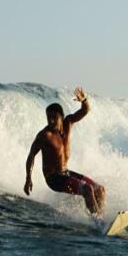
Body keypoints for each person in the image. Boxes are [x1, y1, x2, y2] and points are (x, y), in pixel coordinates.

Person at [23, 87, 106, 217]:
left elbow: (85, 110)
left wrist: (84, 99)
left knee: (100, 189)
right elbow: (31, 155)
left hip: (65, 172)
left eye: (54, 117)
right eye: (48, 117)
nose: (50, 121)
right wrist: (28, 178)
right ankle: (99, 222)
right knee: (87, 189)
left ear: (61, 117)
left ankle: (101, 217)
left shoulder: (68, 123)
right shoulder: (45, 135)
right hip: (54, 179)